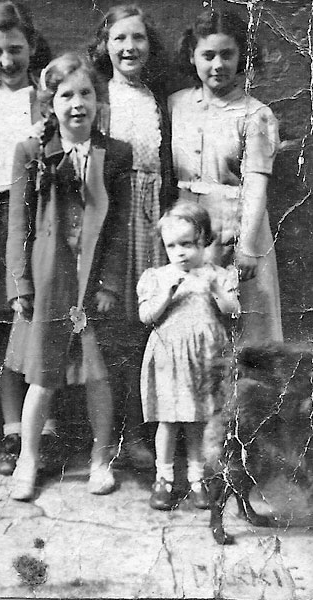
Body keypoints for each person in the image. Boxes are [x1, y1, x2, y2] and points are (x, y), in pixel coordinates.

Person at [5, 53, 132, 500]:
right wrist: (19, 284)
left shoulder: (115, 154)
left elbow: (118, 227)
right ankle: (27, 458)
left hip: (91, 282)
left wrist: (111, 283)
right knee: (43, 375)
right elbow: (18, 224)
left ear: (99, 100)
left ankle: (101, 457)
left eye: (86, 93)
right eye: (66, 95)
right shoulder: (31, 151)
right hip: (48, 281)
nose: (77, 104)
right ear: (49, 103)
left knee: (97, 375)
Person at [0, 0, 58, 476]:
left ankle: (47, 428)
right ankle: (12, 430)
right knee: (9, 322)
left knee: (47, 317)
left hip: (43, 215)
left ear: (31, 47)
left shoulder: (46, 99)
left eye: (16, 49)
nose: (7, 61)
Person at [88, 4, 175, 470]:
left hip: (154, 224)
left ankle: (143, 434)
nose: (129, 48)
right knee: (114, 330)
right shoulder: (99, 97)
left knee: (148, 330)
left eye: (138, 39)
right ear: (105, 45)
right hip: (112, 224)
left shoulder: (157, 99)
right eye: (119, 39)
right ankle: (112, 435)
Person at [169, 4, 282, 344]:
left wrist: (247, 245)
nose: (217, 65)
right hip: (189, 225)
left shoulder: (256, 114)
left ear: (241, 56)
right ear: (192, 56)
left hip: (238, 226)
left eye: (227, 54)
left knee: (244, 327)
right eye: (208, 55)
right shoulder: (176, 104)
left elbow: (257, 183)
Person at [137, 201, 240, 510]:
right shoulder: (158, 277)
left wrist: (218, 292)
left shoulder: (216, 275)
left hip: (205, 359)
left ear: (204, 241)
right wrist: (165, 296)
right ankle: (164, 477)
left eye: (188, 244)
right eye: (172, 245)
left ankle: (197, 478)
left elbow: (233, 311)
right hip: (170, 360)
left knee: (197, 422)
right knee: (168, 421)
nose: (180, 252)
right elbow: (146, 316)